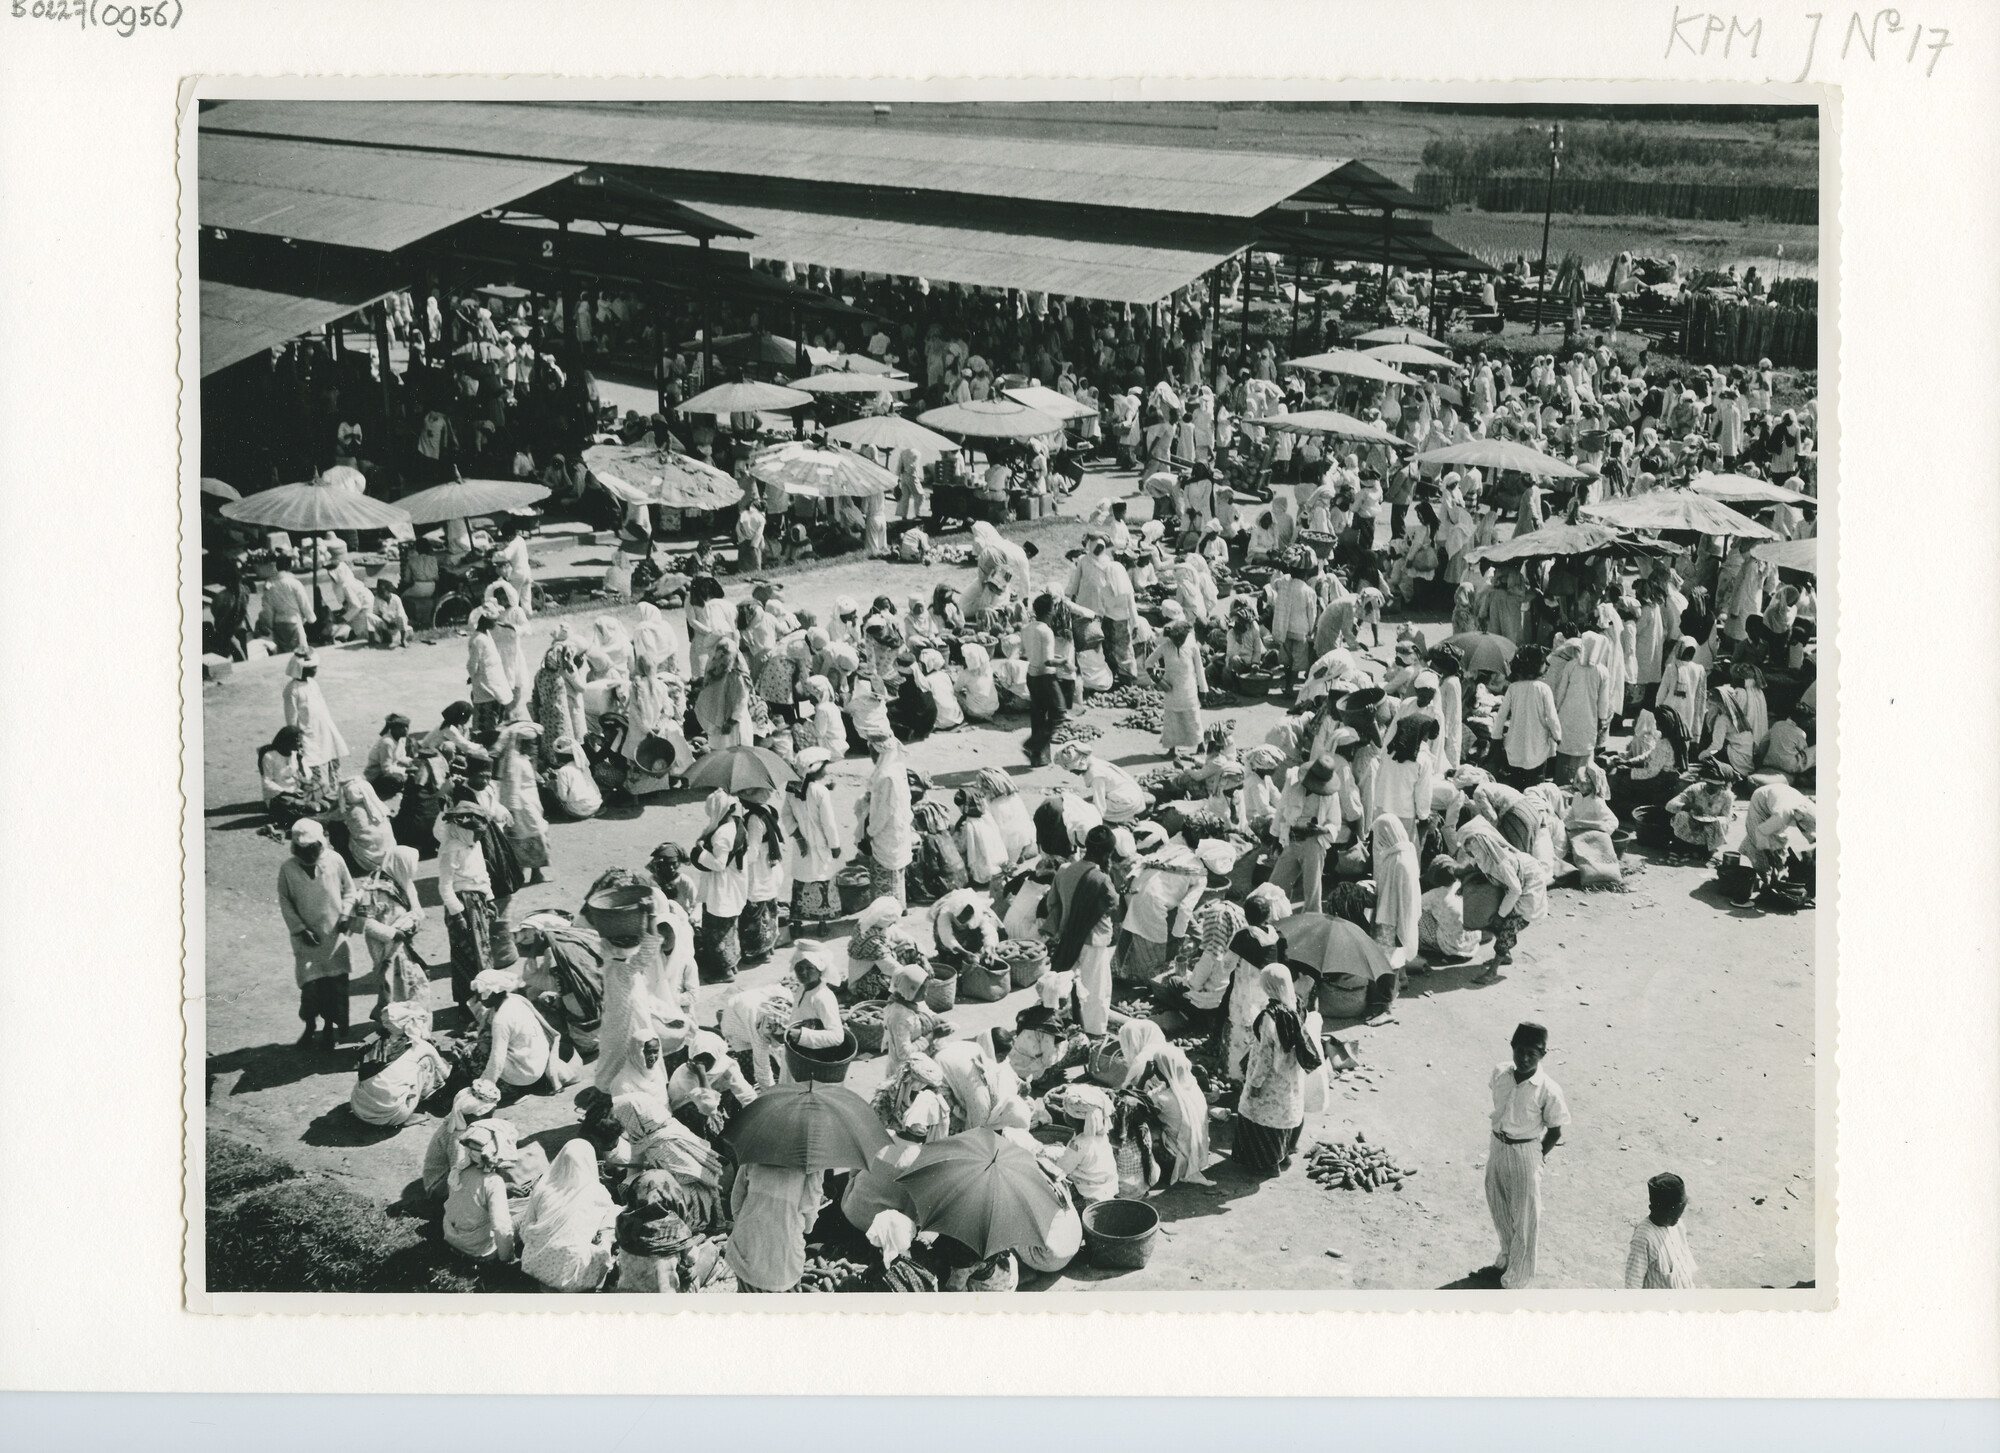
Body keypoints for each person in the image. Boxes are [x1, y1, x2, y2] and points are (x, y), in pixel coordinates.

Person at [1484, 1022, 1570, 1290]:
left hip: (1526, 1151)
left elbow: (1555, 1131)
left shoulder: (1548, 1090)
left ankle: (1516, 1282)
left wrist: (1536, 1157)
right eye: (1520, 1050)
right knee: (1499, 1207)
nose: (1524, 1058)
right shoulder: (1500, 1073)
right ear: (1512, 1046)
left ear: (1542, 1055)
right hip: (1498, 1146)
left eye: (1532, 1053)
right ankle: (1506, 1263)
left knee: (1524, 1219)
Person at [1232, 965, 1321, 1173]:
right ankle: (1284, 1154)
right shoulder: (1297, 1005)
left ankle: (1267, 1164)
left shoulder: (1269, 1017)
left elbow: (1265, 1056)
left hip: (1271, 1076)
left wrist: (1255, 1083)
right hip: (1290, 1074)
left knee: (1260, 1114)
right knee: (1285, 1111)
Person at [276, 819, 356, 1050]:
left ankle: (330, 1028)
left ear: (322, 843)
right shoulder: (288, 869)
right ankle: (310, 1026)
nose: (308, 853)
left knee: (334, 985)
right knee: (310, 986)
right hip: (306, 940)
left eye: (313, 848)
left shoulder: (335, 860)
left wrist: (345, 915)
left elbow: (350, 891)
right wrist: (300, 929)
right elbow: (285, 902)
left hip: (333, 936)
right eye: (302, 849)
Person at [1457, 807, 1551, 980]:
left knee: (1508, 924)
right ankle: (1505, 954)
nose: (1470, 851)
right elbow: (1477, 869)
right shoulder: (1485, 858)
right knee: (1492, 914)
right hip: (1516, 885)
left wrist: (1501, 915)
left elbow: (1515, 890)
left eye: (1472, 846)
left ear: (1482, 843)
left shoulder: (1502, 863)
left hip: (1529, 886)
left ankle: (1493, 970)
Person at [1046, 824, 1121, 1036]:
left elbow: (1051, 903)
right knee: (1096, 991)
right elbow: (1114, 908)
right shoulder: (1101, 879)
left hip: (1068, 936)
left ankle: (1064, 1022)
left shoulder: (1064, 870)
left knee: (1068, 985)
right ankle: (1094, 1033)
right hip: (1093, 941)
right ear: (1108, 853)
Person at [1118, 1020, 1213, 1186]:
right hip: (1197, 1152)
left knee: (1137, 1125)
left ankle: (1149, 1170)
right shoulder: (1192, 1087)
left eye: (1157, 1069)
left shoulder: (1163, 1098)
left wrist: (1144, 1078)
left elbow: (1132, 1104)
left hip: (1173, 1158)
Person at [517, 1139, 619, 1292]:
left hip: (535, 1263)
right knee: (614, 1213)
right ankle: (597, 1281)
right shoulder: (597, 1192)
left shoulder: (542, 1188)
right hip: (574, 1276)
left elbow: (525, 1227)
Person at [472, 968, 580, 1094]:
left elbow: (497, 1058)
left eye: (480, 994)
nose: (478, 999)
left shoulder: (501, 1019)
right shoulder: (515, 999)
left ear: (490, 993)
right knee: (485, 1043)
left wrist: (487, 1084)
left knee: (473, 1053)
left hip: (526, 1074)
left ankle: (512, 1089)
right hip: (538, 1059)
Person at [1268, 756, 1349, 916]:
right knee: (1276, 887)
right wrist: (1275, 838)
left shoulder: (1331, 795)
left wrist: (1322, 830)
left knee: (1312, 894)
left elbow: (1335, 823)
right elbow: (1281, 810)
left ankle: (1311, 927)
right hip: (1291, 840)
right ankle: (1275, 921)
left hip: (1313, 845)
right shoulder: (1292, 782)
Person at [348, 1000, 448, 1128]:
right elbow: (445, 1074)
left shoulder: (375, 1039)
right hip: (392, 1116)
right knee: (425, 1062)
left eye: (387, 1022)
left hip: (359, 1109)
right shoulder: (422, 1046)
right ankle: (416, 1104)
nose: (384, 1024)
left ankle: (382, 1101)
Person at [726, 1162, 822, 1293]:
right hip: (784, 1262)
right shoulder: (812, 1163)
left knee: (748, 1308)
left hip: (747, 1253)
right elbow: (809, 1224)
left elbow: (736, 1203)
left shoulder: (755, 1153)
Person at [780, 746, 843, 939]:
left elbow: (786, 815)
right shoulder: (820, 792)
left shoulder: (793, 789)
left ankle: (797, 922)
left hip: (803, 845)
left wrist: (797, 836)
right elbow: (828, 823)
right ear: (816, 769)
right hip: (820, 843)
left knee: (802, 880)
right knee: (821, 879)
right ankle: (822, 924)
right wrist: (835, 845)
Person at [690, 790, 750, 985]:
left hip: (723, 885)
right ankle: (731, 963)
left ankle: (723, 971)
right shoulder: (735, 825)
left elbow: (718, 864)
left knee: (716, 930)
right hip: (733, 883)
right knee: (729, 926)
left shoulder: (723, 834)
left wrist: (700, 851)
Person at [443, 1120, 523, 1263]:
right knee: (529, 1213)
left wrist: (503, 1188)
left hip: (452, 1236)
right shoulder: (493, 1182)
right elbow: (501, 1228)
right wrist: (508, 1259)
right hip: (478, 1250)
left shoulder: (460, 1170)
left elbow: (471, 1196)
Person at [853, 734, 915, 907]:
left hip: (887, 830)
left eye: (874, 753)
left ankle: (887, 912)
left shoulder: (887, 777)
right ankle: (899, 907)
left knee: (886, 872)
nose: (872, 757)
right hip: (897, 828)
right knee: (896, 872)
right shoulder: (896, 769)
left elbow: (884, 812)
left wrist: (871, 832)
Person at [1494, 646, 1562, 786]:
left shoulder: (1513, 688)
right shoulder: (1543, 689)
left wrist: (1496, 736)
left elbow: (1501, 715)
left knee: (1516, 784)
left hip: (1515, 746)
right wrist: (1557, 736)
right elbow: (1551, 717)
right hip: (1537, 746)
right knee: (1536, 786)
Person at [282, 649, 349, 791]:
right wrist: (297, 741)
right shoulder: (292, 690)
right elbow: (291, 720)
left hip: (324, 731)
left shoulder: (313, 684)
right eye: (312, 668)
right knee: (313, 767)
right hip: (308, 735)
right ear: (302, 669)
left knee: (331, 760)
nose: (315, 670)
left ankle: (334, 790)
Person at [1625, 1172, 1699, 1289]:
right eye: (1673, 1214)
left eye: (1679, 1213)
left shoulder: (1677, 1225)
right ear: (1657, 1209)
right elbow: (1633, 1284)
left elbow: (1684, 1265)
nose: (1677, 1218)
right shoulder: (1643, 1238)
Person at [1149, 616, 1208, 757]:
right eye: (1175, 639)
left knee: (1193, 718)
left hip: (1189, 690)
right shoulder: (1165, 647)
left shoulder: (1192, 647)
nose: (1178, 642)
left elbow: (1200, 670)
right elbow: (1149, 663)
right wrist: (1156, 678)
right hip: (1171, 691)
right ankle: (1171, 750)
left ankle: (1201, 746)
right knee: (1171, 721)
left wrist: (1203, 690)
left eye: (1180, 638)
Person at [1056, 743, 1151, 824]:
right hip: (1129, 793)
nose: (1071, 772)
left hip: (1127, 802)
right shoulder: (1094, 761)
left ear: (1078, 765)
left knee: (1085, 810)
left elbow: (1100, 806)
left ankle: (1121, 818)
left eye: (1071, 769)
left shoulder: (1095, 775)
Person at [1022, 592, 1064, 767]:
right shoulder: (1046, 631)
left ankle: (1039, 758)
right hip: (1045, 677)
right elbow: (1048, 661)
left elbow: (1029, 653)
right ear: (1048, 612)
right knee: (1059, 712)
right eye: (1054, 608)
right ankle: (1032, 745)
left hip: (1031, 675)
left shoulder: (1027, 628)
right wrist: (1066, 663)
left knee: (1038, 716)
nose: (1055, 611)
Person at [256, 725, 324, 826]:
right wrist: (285, 792)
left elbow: (307, 777)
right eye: (298, 741)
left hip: (296, 792)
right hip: (279, 796)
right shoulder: (270, 756)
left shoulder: (295, 754)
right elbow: (267, 782)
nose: (300, 744)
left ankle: (309, 810)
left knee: (323, 786)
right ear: (288, 741)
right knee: (311, 807)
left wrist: (300, 761)